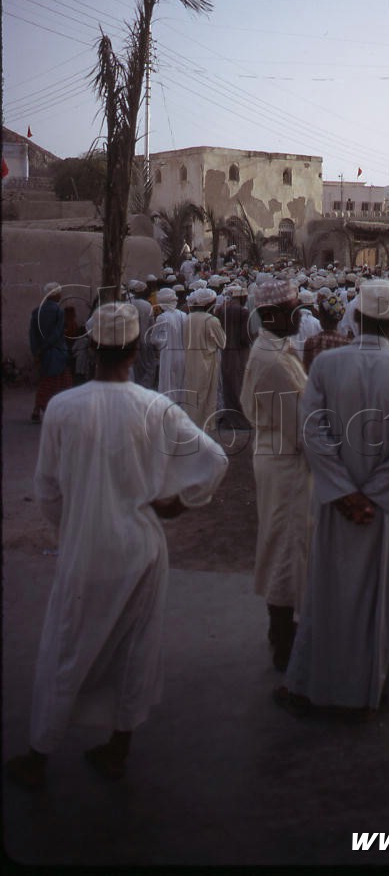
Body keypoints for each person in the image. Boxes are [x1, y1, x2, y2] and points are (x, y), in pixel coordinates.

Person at [5, 302, 228, 790]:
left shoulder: (63, 408)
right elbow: (213, 458)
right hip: (142, 546)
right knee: (134, 649)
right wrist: (180, 503)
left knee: (66, 646)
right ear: (134, 348)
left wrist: (76, 525)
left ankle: (39, 754)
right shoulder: (156, 407)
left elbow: (47, 492)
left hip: (87, 546)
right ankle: (117, 749)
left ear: (91, 347)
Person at [277, 279, 389, 715]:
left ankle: (321, 683)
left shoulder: (326, 366)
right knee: (384, 594)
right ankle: (373, 686)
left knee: (329, 591)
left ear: (356, 317)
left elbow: (313, 432)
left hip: (337, 502)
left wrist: (344, 492)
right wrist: (374, 495)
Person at [240, 278, 311, 672]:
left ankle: (282, 634)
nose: (300, 314)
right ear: (270, 315)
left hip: (278, 455)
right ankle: (284, 644)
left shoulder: (275, 348)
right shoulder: (273, 361)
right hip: (285, 463)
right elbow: (301, 430)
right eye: (292, 308)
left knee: (288, 543)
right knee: (286, 546)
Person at [183, 287, 226, 431]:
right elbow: (222, 342)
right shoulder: (211, 320)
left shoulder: (188, 318)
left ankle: (191, 423)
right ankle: (205, 425)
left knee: (193, 393)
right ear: (208, 303)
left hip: (190, 360)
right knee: (206, 395)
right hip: (207, 362)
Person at [29, 282, 72, 422]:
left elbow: (32, 334)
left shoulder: (37, 311)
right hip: (57, 351)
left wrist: (36, 351)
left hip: (43, 353)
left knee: (45, 381)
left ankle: (39, 409)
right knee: (60, 383)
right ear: (55, 295)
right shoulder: (58, 311)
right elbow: (57, 333)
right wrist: (44, 347)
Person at [219, 285, 251, 430]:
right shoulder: (243, 312)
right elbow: (245, 337)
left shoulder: (220, 309)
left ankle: (230, 419)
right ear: (242, 297)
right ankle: (241, 420)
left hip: (224, 352)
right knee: (240, 385)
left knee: (228, 386)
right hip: (239, 353)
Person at [150, 287, 187, 397]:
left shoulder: (162, 318)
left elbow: (154, 339)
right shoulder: (183, 315)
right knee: (181, 385)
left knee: (169, 385)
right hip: (183, 354)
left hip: (168, 355)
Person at [302, 292, 350, 372]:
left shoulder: (311, 342)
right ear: (339, 318)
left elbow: (307, 372)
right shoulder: (347, 344)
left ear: (321, 316)